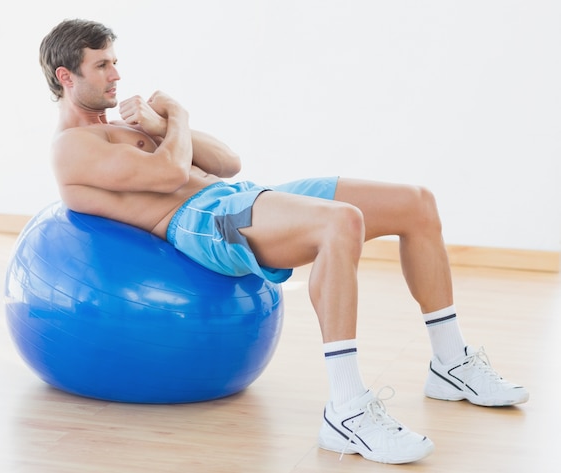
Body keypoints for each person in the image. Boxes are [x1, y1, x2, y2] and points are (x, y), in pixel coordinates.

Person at [39, 19, 528, 465]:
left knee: (416, 203)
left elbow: (228, 163)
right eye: (102, 65)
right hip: (207, 223)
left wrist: (159, 124)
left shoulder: (126, 126)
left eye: (115, 62)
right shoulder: (72, 147)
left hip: (238, 196)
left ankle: (451, 362)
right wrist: (179, 117)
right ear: (66, 77)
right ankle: (347, 408)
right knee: (342, 222)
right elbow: (170, 174)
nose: (116, 75)